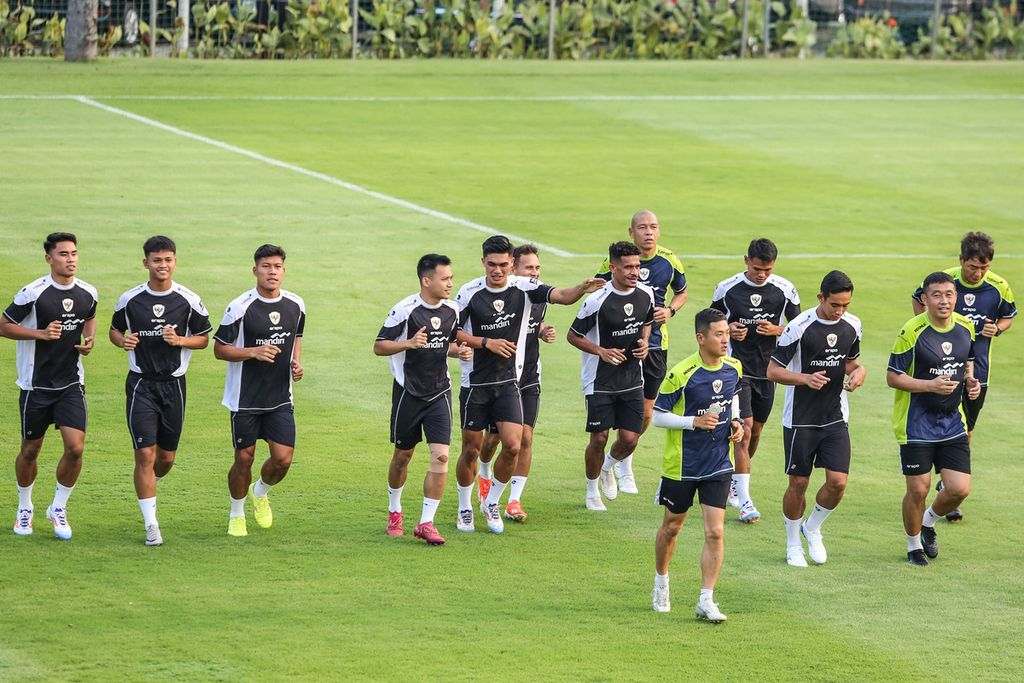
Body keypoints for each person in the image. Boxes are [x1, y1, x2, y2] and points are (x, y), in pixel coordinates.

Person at [454, 235, 603, 534]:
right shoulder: (469, 292)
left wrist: (581, 289)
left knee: (513, 444)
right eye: (492, 264)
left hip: (510, 380)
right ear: (483, 262)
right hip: (476, 382)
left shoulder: (524, 287)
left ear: (511, 264)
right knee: (472, 448)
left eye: (503, 265)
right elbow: (453, 330)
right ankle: (464, 506)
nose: (498, 270)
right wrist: (486, 343)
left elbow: (560, 295)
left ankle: (493, 502)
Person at [109, 236, 212, 547]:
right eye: (156, 260)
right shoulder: (130, 300)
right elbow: (115, 330)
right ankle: (151, 524)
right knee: (144, 454)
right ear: (146, 263)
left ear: (175, 262)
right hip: (141, 383)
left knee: (164, 460)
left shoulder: (189, 300)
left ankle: (150, 481)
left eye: (168, 260)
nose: (162, 265)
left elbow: (205, 338)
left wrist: (180, 341)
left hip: (174, 386)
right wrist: (121, 341)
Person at [911, 231, 1015, 522]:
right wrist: (927, 330)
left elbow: (1008, 315)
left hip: (977, 372)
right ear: (961, 260)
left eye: (984, 267)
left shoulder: (999, 287)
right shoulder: (943, 281)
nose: (978, 273)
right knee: (936, 422)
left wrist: (1000, 328)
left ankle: (949, 481)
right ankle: (935, 482)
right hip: (937, 370)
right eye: (972, 266)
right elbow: (918, 301)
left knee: (965, 429)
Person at [1, 233, 98, 540]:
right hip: (35, 385)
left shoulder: (88, 292)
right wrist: (39, 334)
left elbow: (90, 316)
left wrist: (89, 341)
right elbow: (3, 325)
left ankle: (58, 507)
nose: (70, 259)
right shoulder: (33, 293)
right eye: (63, 254)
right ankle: (25, 507)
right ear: (49, 259)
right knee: (30, 450)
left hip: (70, 382)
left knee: (75, 448)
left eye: (74, 253)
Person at [767, 271, 866, 568]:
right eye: (835, 304)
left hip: (835, 415)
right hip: (800, 418)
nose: (840, 311)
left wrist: (859, 374)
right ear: (821, 297)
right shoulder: (798, 327)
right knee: (798, 483)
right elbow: (773, 370)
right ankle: (793, 542)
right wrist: (804, 378)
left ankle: (812, 527)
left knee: (837, 482)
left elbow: (852, 363)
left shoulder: (852, 325)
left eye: (846, 305)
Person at [651, 308, 743, 619]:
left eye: (727, 334)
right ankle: (662, 579)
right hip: (682, 465)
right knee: (672, 527)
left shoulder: (733, 368)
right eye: (719, 334)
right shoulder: (682, 373)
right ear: (700, 338)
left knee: (715, 532)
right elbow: (658, 417)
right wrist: (693, 422)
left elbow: (733, 400)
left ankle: (706, 599)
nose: (725, 340)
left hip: (718, 463)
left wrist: (737, 423)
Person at [374, 254, 471, 545]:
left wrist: (459, 352)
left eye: (451, 278)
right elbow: (379, 346)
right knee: (402, 457)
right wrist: (408, 343)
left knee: (441, 456)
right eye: (445, 279)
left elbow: (447, 343)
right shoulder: (405, 310)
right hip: (408, 392)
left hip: (439, 391)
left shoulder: (453, 309)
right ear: (427, 280)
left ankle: (426, 522)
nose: (450, 283)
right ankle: (394, 510)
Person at [213, 245, 306, 539]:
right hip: (245, 398)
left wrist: (296, 363)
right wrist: (253, 352)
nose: (272, 272)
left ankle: (260, 491)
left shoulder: (296, 304)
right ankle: (236, 513)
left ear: (284, 270)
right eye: (266, 266)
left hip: (280, 397)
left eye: (277, 266)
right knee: (244, 459)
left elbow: (297, 336)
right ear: (255, 270)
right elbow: (219, 349)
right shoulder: (240, 307)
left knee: (283, 460)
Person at [889, 272, 979, 566]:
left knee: (959, 489)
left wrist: (971, 382)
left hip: (952, 421)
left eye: (949, 294)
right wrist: (929, 385)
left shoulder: (966, 327)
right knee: (918, 489)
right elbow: (893, 376)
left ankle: (928, 523)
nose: (944, 300)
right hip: (916, 423)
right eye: (937, 295)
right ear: (925, 299)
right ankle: (914, 546)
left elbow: (967, 363)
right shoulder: (912, 331)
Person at [595, 210, 687, 494]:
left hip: (656, 345)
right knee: (611, 411)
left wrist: (670, 310)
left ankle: (619, 461)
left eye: (654, 227)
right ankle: (613, 464)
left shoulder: (669, 259)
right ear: (631, 231)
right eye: (643, 227)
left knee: (645, 413)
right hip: (619, 345)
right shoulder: (618, 262)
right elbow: (598, 289)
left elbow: (682, 292)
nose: (649, 232)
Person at [711, 238, 800, 523]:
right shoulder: (728, 289)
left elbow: (800, 329)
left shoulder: (785, 290)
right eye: (758, 268)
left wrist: (778, 329)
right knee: (745, 429)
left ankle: (734, 480)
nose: (762, 274)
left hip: (769, 371)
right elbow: (709, 324)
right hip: (737, 369)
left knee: (757, 431)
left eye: (768, 269)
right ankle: (745, 501)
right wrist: (729, 331)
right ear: (746, 261)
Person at [568, 241, 655, 511]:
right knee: (599, 438)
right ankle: (592, 492)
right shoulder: (596, 300)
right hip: (599, 380)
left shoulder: (646, 294)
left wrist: (644, 343)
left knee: (630, 438)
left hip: (632, 377)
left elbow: (648, 322)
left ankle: (607, 468)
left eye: (637, 266)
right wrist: (600, 351)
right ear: (613, 268)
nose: (634, 272)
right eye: (628, 267)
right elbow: (573, 335)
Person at [476, 244, 556, 523]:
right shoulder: (503, 295)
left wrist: (544, 330)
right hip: (497, 378)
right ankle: (484, 472)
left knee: (525, 438)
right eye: (529, 268)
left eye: (537, 268)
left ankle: (513, 500)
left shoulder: (539, 295)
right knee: (494, 439)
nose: (534, 274)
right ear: (514, 268)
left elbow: (535, 324)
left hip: (529, 374)